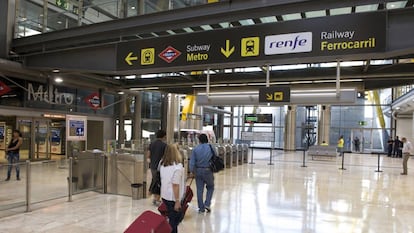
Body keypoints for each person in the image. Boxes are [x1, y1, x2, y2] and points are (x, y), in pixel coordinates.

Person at [159, 144, 185, 233]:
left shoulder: (162, 164)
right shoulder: (177, 167)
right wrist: (177, 201)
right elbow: (175, 185)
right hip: (173, 198)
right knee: (174, 222)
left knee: (171, 219)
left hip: (164, 195)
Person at [190, 134, 215, 214]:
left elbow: (192, 162)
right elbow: (216, 156)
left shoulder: (195, 149)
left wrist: (192, 171)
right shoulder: (211, 147)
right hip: (208, 170)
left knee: (199, 190)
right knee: (210, 187)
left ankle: (201, 208)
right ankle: (207, 204)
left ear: (199, 140)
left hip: (198, 170)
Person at [147, 129, 167, 205]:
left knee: (155, 180)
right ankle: (156, 198)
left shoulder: (152, 144)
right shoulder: (164, 145)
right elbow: (165, 157)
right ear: (164, 136)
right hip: (160, 167)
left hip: (152, 166)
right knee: (158, 182)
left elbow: (148, 155)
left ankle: (153, 196)